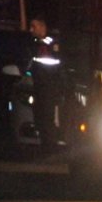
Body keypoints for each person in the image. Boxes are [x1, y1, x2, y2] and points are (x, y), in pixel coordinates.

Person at [27, 15, 67, 150]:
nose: (30, 29)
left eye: (34, 26)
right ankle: (45, 142)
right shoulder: (35, 43)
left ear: (42, 27)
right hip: (40, 84)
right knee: (41, 114)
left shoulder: (50, 42)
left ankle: (51, 144)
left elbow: (53, 63)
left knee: (49, 115)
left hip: (50, 84)